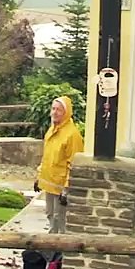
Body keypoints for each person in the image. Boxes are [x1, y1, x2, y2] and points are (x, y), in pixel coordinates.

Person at [34, 95, 84, 234]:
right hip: (49, 182)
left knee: (60, 218)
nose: (55, 112)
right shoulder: (51, 130)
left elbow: (73, 163)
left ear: (66, 113)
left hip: (61, 186)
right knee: (50, 214)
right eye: (53, 109)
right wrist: (39, 178)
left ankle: (61, 249)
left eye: (59, 110)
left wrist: (66, 189)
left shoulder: (72, 135)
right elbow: (47, 157)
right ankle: (52, 249)